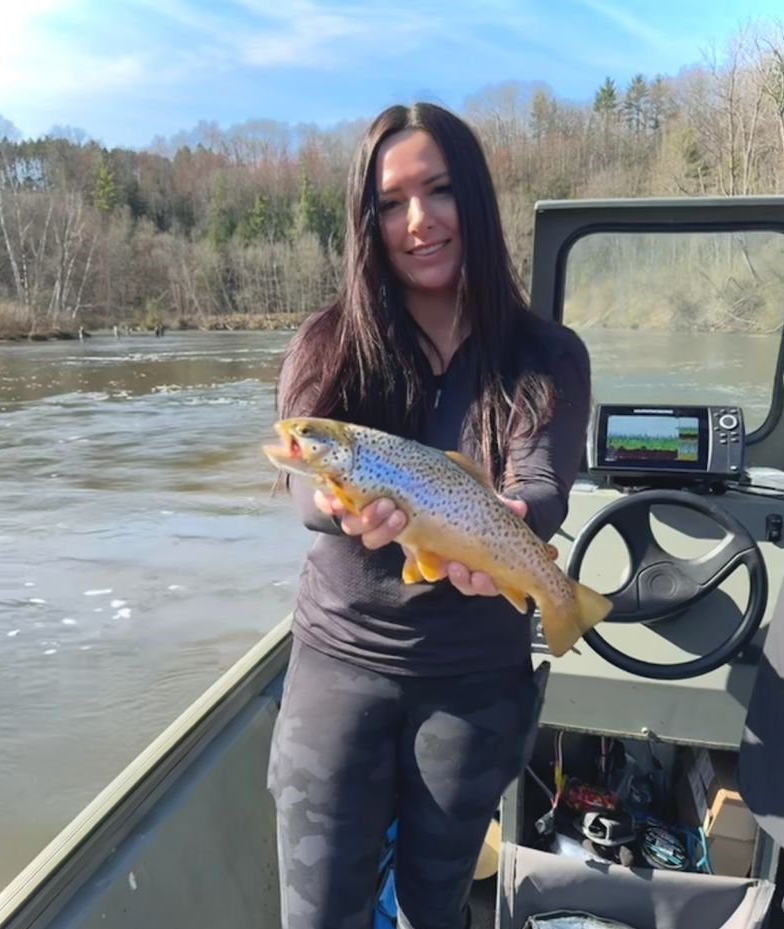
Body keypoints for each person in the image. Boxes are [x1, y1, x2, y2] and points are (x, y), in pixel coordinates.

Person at [268, 102, 592, 929]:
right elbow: (307, 491)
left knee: (434, 904)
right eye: (390, 200)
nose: (418, 221)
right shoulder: (326, 341)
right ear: (366, 219)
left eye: (439, 190)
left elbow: (543, 483)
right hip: (340, 661)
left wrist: (514, 517)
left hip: (475, 676)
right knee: (319, 914)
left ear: (475, 200)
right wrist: (345, 514)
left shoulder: (546, 353)